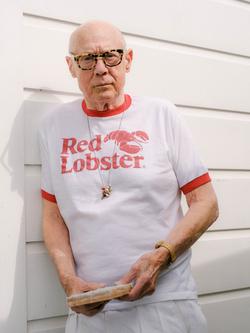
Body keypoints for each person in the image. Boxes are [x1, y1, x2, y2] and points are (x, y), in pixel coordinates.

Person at [39, 20, 219, 333]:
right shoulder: (53, 125)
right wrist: (68, 281)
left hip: (165, 304)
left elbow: (206, 202)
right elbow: (53, 216)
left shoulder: (161, 115)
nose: (100, 69)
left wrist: (161, 256)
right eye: (87, 59)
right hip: (91, 314)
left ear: (129, 60)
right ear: (71, 66)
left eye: (111, 55)